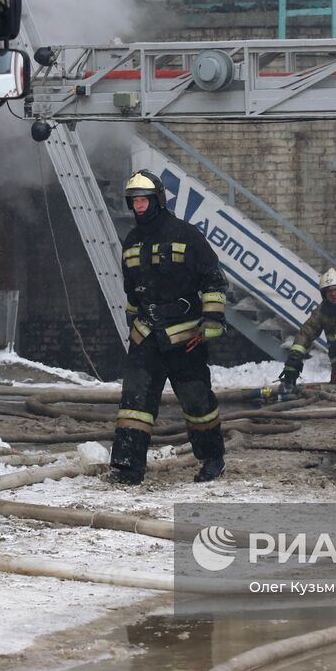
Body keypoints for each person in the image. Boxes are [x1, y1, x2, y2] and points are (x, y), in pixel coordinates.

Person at [109, 170, 229, 485]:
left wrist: (211, 323)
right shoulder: (132, 241)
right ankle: (128, 467)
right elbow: (131, 293)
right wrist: (132, 328)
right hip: (146, 336)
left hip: (184, 335)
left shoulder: (186, 235)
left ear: (158, 200)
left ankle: (212, 459)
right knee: (134, 403)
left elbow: (214, 281)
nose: (138, 206)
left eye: (143, 200)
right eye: (134, 201)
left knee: (196, 400)